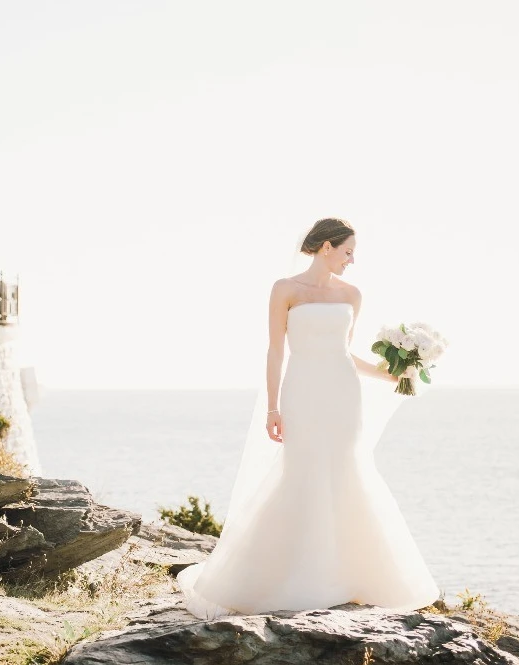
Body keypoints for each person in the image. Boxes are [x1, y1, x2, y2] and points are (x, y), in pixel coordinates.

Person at [175, 217, 440, 619]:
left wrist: (390, 373)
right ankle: (286, 578)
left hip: (342, 394)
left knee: (346, 470)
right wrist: (272, 407)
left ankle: (349, 578)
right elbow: (275, 351)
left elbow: (344, 353)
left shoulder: (352, 295)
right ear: (326, 246)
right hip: (301, 393)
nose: (352, 260)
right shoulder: (285, 289)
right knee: (301, 472)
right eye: (348, 251)